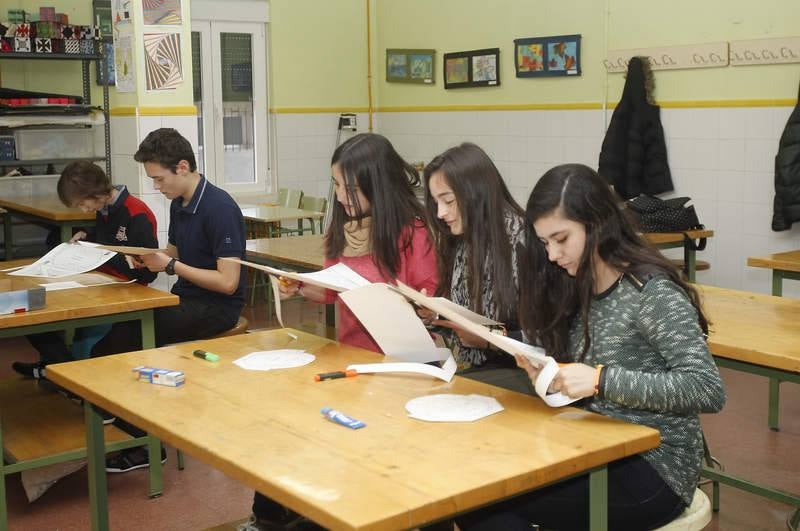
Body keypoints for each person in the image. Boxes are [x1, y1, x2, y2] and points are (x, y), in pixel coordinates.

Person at [455, 163, 726, 531]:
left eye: (561, 239)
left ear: (596, 223)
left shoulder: (652, 293)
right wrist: (543, 367)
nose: (552, 254)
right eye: (545, 242)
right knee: (470, 488)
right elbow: (568, 362)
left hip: (654, 468)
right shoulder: (574, 282)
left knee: (483, 503)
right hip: (591, 443)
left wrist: (600, 380)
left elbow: (706, 389)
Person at [240, 133, 438, 531]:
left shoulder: (415, 231)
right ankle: (273, 515)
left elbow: (431, 299)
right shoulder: (347, 229)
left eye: (350, 187)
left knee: (374, 453)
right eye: (335, 184)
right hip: (352, 359)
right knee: (296, 423)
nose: (341, 196)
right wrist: (301, 286)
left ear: (376, 184)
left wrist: (415, 304)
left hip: (402, 366)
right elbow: (333, 290)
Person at [98, 127, 247, 473]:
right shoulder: (180, 204)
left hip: (217, 308)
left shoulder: (220, 208)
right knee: (120, 333)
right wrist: (149, 257)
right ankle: (125, 420)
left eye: (159, 178)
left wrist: (171, 265)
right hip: (186, 299)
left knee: (131, 338)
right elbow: (173, 253)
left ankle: (146, 444)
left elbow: (228, 283)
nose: (156, 187)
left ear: (182, 167)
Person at [12, 160, 158, 385]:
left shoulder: (136, 213)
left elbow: (148, 273)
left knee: (78, 338)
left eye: (83, 203)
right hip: (98, 284)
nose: (83, 210)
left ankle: (63, 375)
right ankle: (57, 369)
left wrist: (107, 253)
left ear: (97, 192)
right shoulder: (104, 210)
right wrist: (86, 238)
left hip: (125, 292)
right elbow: (105, 239)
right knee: (29, 313)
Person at [422, 143, 530, 393]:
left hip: (523, 375)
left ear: (476, 193)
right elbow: (466, 321)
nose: (440, 212)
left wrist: (489, 339)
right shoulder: (461, 239)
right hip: (476, 369)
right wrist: (435, 316)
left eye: (447, 200)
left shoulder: (522, 242)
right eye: (436, 202)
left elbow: (552, 339)